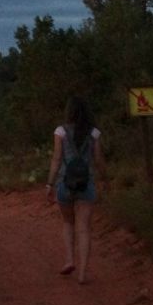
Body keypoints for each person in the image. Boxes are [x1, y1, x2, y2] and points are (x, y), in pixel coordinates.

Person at [45, 97, 107, 284]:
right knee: (84, 229)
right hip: (87, 184)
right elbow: (98, 160)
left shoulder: (60, 131)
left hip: (65, 183)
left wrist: (50, 184)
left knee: (68, 223)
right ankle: (82, 273)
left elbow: (56, 159)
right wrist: (106, 178)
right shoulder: (94, 133)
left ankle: (70, 259)